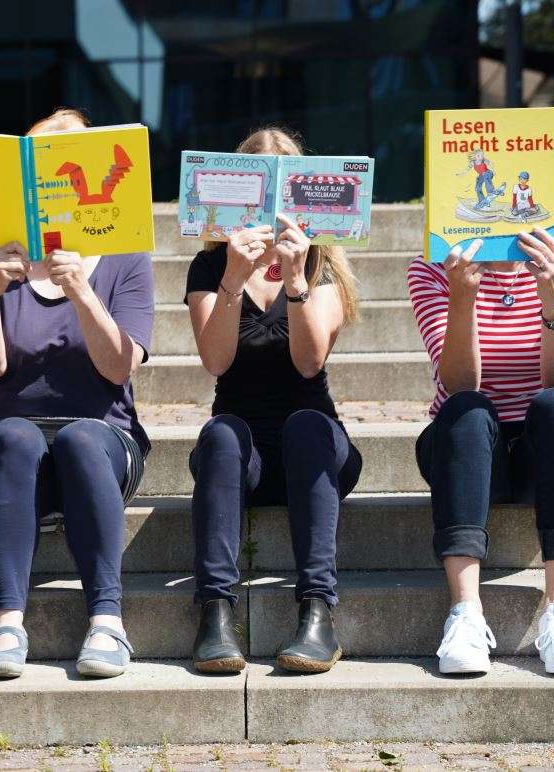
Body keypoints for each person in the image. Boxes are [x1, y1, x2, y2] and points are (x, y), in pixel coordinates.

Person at [0, 108, 155, 679]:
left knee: (77, 439)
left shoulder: (126, 257)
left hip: (104, 438)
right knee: (18, 437)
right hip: (9, 441)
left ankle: (107, 622)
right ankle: (6, 622)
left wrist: (80, 291)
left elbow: (119, 367)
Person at [185, 127, 363, 675]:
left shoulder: (324, 267)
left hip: (313, 449)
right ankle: (215, 614)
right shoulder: (210, 268)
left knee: (308, 426)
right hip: (242, 454)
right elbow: (216, 361)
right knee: (220, 433)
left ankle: (317, 612)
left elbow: (309, 363)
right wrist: (235, 280)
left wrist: (295, 281)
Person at [406, 228, 554, 676]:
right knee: (469, 407)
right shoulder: (434, 263)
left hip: (547, 447)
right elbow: (458, 383)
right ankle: (465, 613)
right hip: (466, 444)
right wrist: (463, 298)